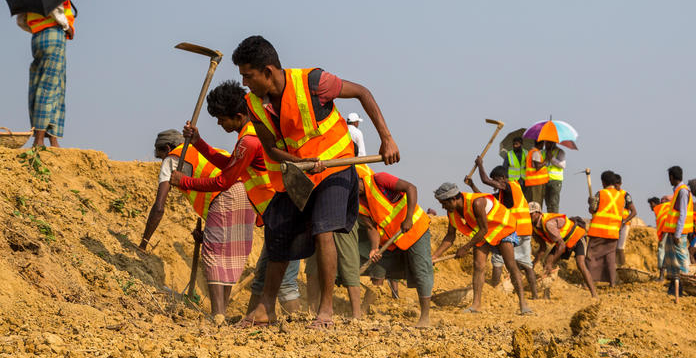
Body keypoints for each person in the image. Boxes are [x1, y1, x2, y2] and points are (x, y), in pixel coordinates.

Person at [228, 35, 399, 329]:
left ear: (267, 72)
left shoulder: (314, 82)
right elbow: (270, 148)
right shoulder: (254, 104)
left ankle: (325, 311)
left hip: (336, 166)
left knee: (324, 230)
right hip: (298, 174)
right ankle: (265, 309)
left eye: (248, 75)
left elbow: (363, 92)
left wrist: (386, 138)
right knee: (278, 232)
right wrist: (297, 163)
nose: (245, 82)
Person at [169, 81, 270, 321]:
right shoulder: (252, 132)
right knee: (236, 256)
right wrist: (199, 143)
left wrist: (185, 182)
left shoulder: (248, 141)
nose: (219, 123)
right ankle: (223, 315)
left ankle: (218, 314)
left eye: (222, 119)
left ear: (237, 115)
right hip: (256, 202)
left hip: (256, 200)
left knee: (214, 253)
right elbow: (230, 165)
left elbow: (223, 181)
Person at [433, 182, 532, 315]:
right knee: (478, 265)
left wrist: (465, 248)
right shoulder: (452, 212)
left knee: (510, 265)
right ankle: (476, 305)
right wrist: (435, 256)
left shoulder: (477, 203)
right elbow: (450, 236)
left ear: (453, 199)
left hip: (501, 227)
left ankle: (523, 304)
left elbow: (484, 229)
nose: (442, 206)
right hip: (482, 233)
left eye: (444, 203)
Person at [355, 165, 433, 327]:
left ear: (359, 180)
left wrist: (409, 218)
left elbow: (411, 188)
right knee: (378, 271)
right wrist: (374, 248)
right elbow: (371, 228)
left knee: (421, 271)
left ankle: (425, 317)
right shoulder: (358, 203)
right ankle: (361, 312)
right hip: (391, 239)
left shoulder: (380, 179)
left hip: (415, 229)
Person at [138, 129, 219, 254]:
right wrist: (208, 234)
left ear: (167, 148)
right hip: (246, 194)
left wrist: (143, 244)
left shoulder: (171, 158)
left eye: (161, 157)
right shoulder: (201, 150)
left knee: (213, 261)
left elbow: (159, 207)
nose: (162, 161)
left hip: (221, 201)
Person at [469, 157, 539, 299]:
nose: (493, 183)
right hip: (524, 230)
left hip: (514, 231)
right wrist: (471, 185)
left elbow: (486, 181)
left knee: (498, 261)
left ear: (502, 178)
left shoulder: (510, 186)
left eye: (495, 180)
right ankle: (535, 295)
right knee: (526, 263)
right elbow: (484, 198)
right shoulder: (505, 193)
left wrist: (480, 165)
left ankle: (495, 288)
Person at [17, 0, 75, 149]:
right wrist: (67, 26)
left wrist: (39, 28)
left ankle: (47, 138)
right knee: (52, 88)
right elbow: (56, 8)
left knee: (38, 86)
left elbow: (21, 20)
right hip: (54, 34)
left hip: (37, 37)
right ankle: (41, 141)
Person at [531, 203, 597, 299]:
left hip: (576, 237)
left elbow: (561, 246)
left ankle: (594, 294)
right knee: (546, 263)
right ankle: (546, 295)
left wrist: (551, 262)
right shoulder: (535, 228)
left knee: (580, 264)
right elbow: (542, 248)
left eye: (531, 213)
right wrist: (534, 263)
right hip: (563, 241)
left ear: (538, 213)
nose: (529, 216)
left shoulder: (548, 224)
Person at [586, 171, 636, 287]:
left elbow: (593, 210)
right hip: (613, 232)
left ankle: (588, 281)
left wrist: (590, 203)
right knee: (610, 258)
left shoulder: (601, 193)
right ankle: (612, 282)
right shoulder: (621, 196)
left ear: (603, 182)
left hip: (599, 231)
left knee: (591, 256)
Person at [658, 167, 692, 288]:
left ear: (672, 177)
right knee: (670, 258)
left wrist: (677, 234)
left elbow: (682, 213)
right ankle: (674, 282)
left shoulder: (682, 191)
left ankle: (686, 282)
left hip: (679, 233)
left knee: (681, 258)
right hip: (672, 231)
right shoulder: (678, 191)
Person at [522, 140, 549, 205]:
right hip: (536, 183)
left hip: (532, 182)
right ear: (541, 143)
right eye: (543, 143)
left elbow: (531, 165)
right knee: (536, 205)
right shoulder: (536, 153)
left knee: (531, 204)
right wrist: (546, 160)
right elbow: (537, 167)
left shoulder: (531, 152)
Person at [543, 142, 566, 212]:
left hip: (555, 181)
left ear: (553, 143)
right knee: (548, 203)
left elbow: (563, 165)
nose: (546, 144)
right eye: (545, 143)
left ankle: (554, 219)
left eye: (548, 143)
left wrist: (552, 158)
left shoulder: (560, 152)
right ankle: (550, 219)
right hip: (545, 180)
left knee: (554, 202)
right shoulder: (543, 152)